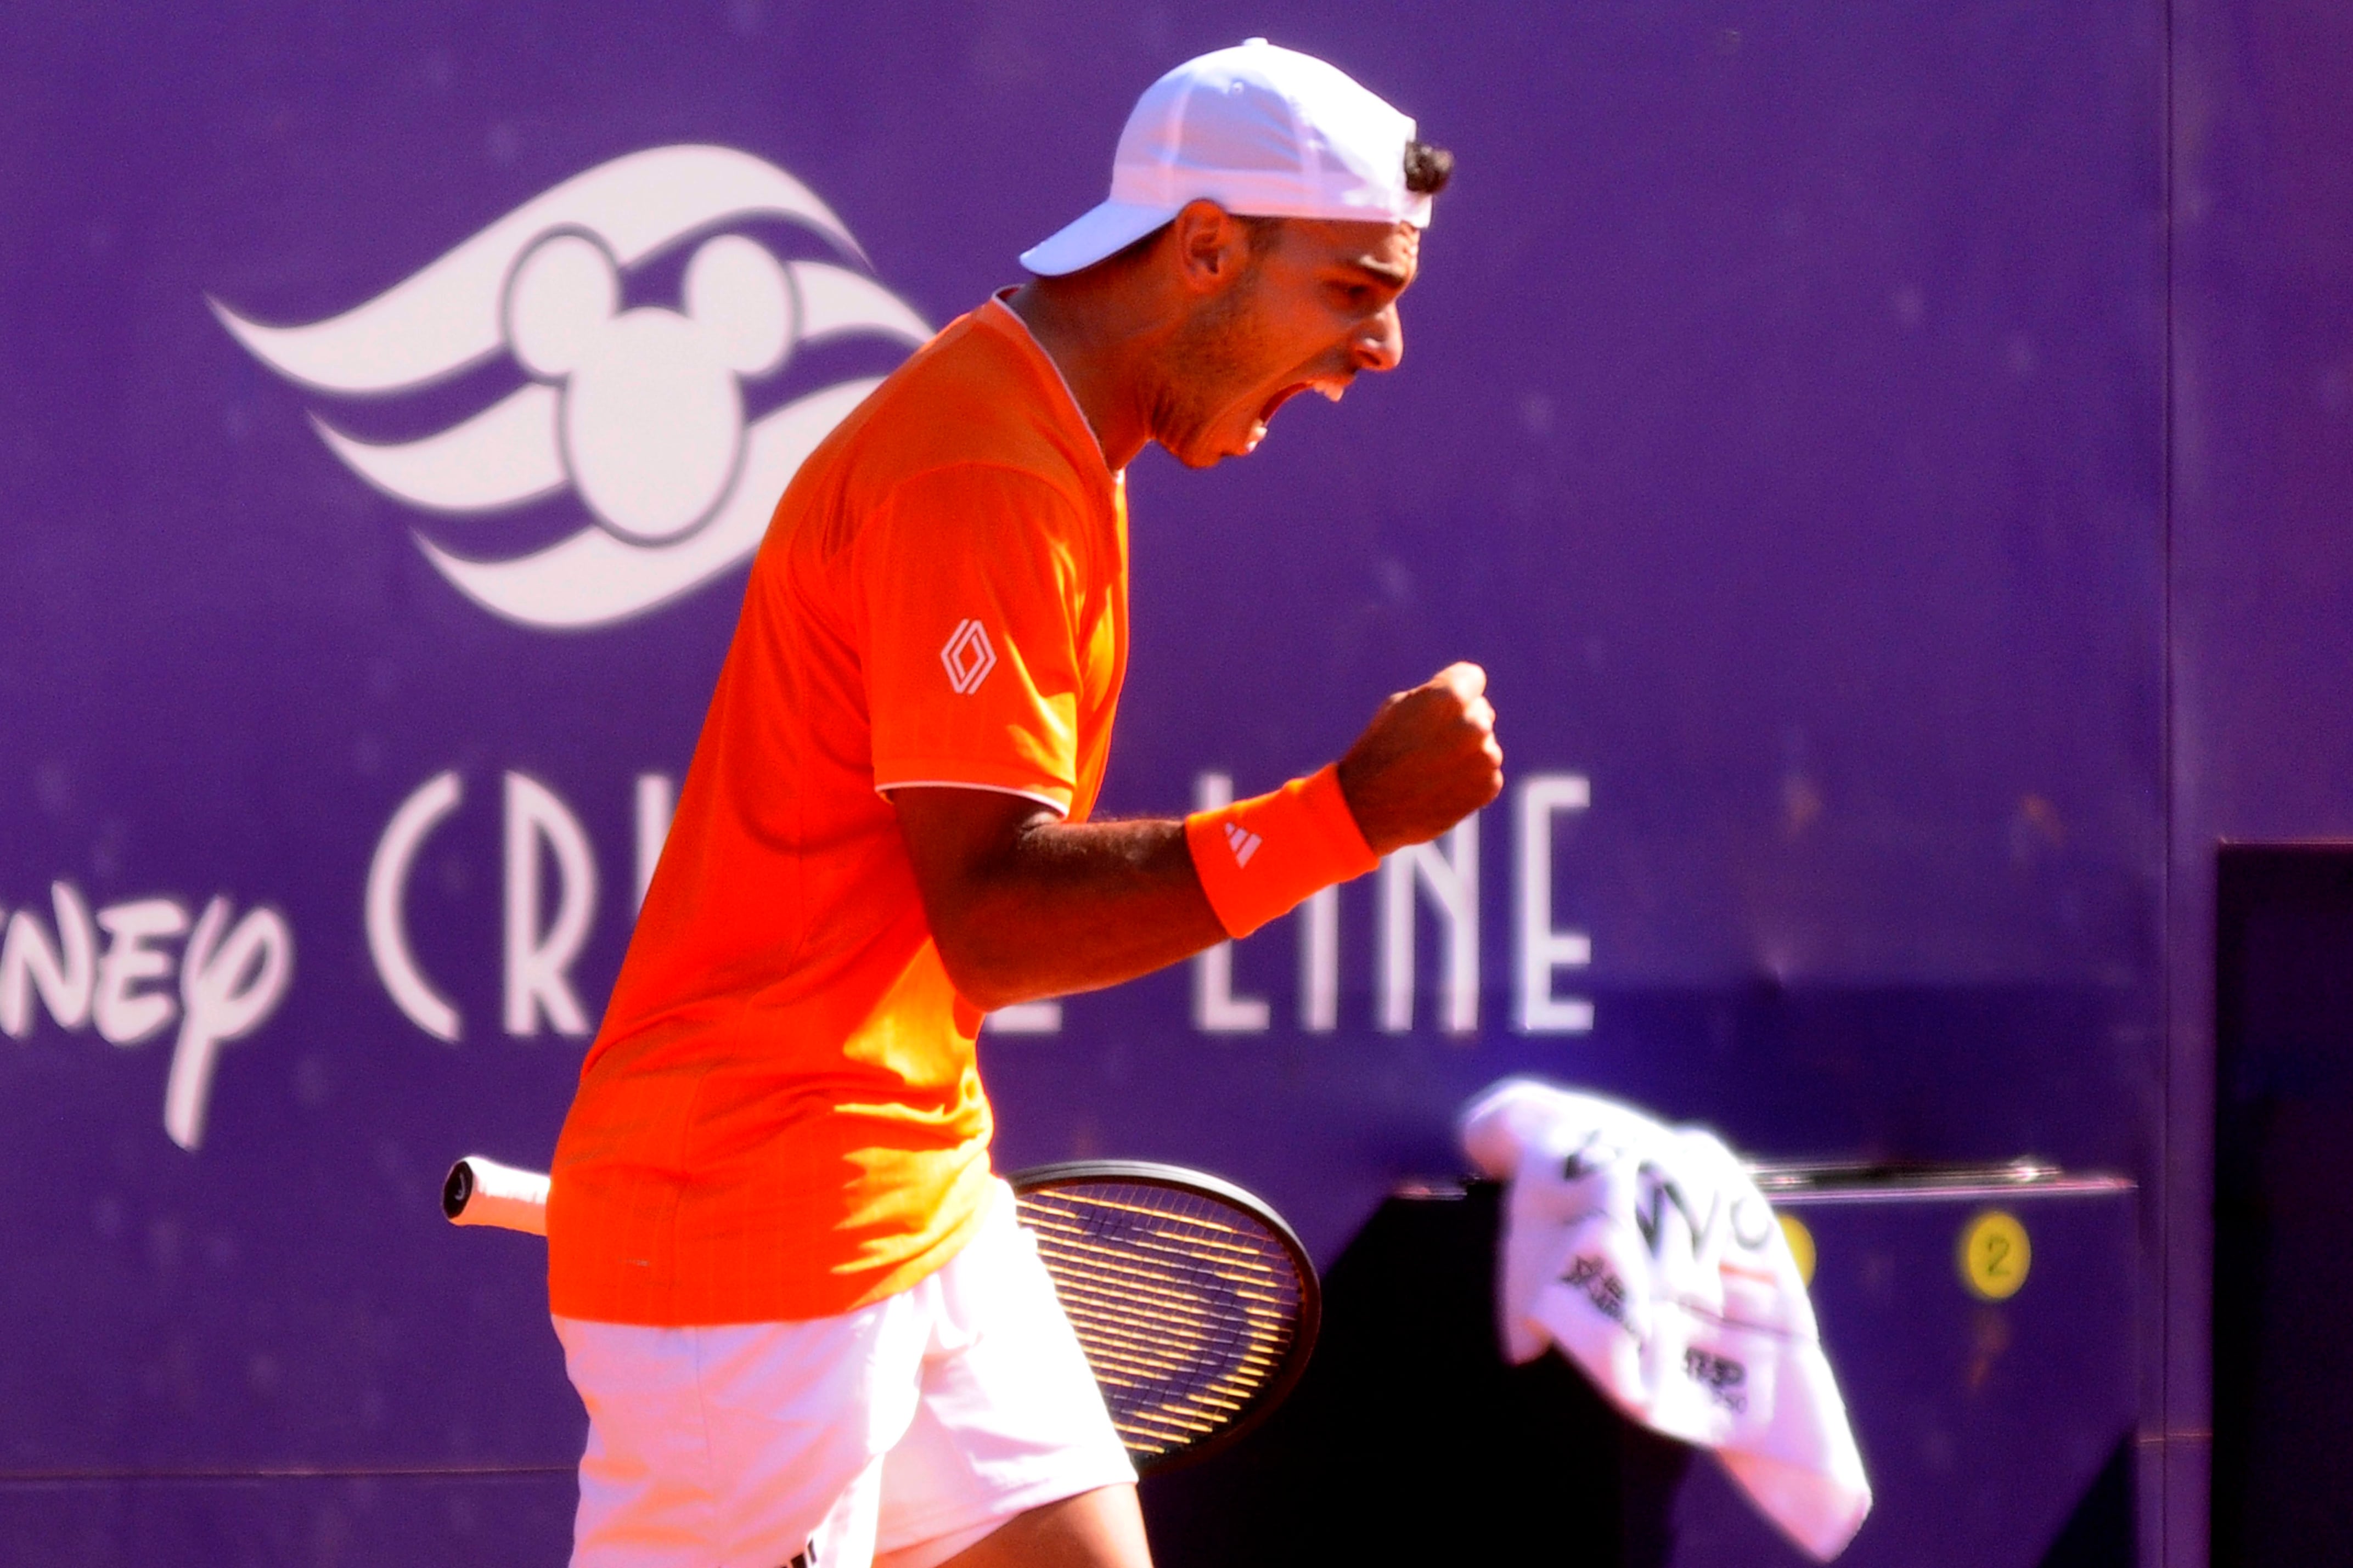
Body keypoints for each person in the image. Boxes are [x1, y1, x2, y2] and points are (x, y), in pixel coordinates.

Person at [545, 37, 1499, 1568]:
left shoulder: (1044, 437)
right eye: (1352, 292)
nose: (1377, 353)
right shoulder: (979, 466)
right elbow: (995, 919)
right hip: (754, 1254)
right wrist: (1347, 815)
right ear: (1202, 250)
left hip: (911, 1188)